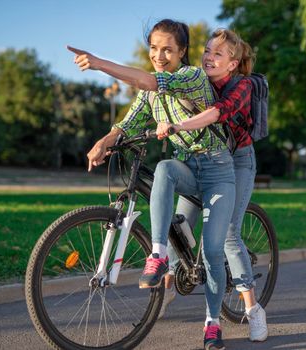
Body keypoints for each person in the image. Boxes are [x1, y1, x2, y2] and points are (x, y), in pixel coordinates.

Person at [69, 19, 233, 350]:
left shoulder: (192, 77)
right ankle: (158, 255)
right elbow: (129, 122)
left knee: (213, 251)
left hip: (217, 171)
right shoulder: (150, 93)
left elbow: (149, 80)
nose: (159, 55)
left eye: (167, 49)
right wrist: (106, 139)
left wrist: (100, 63)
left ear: (182, 52)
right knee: (164, 169)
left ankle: (213, 323)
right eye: (154, 48)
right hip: (187, 167)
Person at [157, 28, 268, 342]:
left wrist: (178, 125)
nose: (209, 56)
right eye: (207, 50)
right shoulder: (197, 80)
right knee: (179, 224)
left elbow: (218, 113)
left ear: (232, 63)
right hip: (203, 159)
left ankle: (253, 310)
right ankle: (164, 291)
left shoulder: (242, 86)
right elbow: (161, 85)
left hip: (238, 162)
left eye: (218, 53)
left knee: (230, 234)